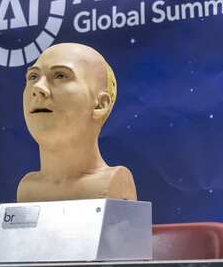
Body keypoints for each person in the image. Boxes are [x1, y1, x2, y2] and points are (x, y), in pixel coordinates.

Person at [17, 42, 136, 203]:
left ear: (101, 104)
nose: (38, 87)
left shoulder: (115, 184)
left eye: (60, 76)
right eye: (33, 77)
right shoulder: (28, 189)